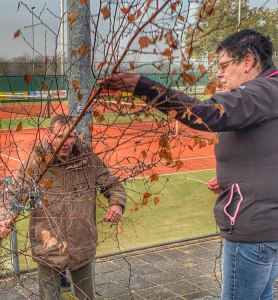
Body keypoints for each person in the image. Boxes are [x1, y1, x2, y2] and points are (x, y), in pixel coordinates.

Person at [97, 29, 278, 300]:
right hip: (267, 225)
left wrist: (142, 86)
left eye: (224, 65)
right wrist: (238, 177)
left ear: (248, 61)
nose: (219, 74)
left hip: (252, 228)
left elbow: (206, 115)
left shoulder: (258, 92)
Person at [0, 114, 127, 300]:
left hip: (81, 242)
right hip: (48, 242)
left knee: (86, 296)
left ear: (76, 136)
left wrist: (116, 203)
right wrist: (4, 218)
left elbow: (113, 184)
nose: (65, 142)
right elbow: (13, 194)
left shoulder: (88, 160)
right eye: (59, 136)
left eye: (70, 136)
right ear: (50, 136)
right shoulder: (37, 164)